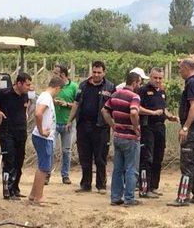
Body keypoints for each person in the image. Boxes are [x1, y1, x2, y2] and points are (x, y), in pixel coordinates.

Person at [67, 61, 115, 193]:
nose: (96, 75)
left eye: (99, 72)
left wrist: (114, 124)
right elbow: (76, 104)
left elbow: (114, 107)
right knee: (84, 157)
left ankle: (101, 185)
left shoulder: (110, 87)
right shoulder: (83, 85)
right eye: (94, 72)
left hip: (101, 127)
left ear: (104, 72)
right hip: (83, 126)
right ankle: (85, 185)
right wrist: (69, 120)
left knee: (100, 157)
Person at [0, 72, 31, 200]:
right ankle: (8, 191)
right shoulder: (4, 92)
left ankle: (15, 188)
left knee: (19, 162)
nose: (29, 87)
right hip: (7, 132)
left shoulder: (25, 95)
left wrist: (25, 114)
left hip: (21, 132)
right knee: (9, 161)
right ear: (19, 83)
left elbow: (26, 105)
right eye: (27, 84)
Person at [168, 59, 194, 207]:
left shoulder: (192, 83)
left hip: (193, 128)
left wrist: (185, 127)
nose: (179, 72)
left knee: (187, 163)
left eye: (180, 69)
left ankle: (183, 197)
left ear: (186, 68)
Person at [102, 72, 142, 207]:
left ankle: (115, 197)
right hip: (130, 137)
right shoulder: (134, 97)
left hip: (118, 136)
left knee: (118, 169)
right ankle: (129, 198)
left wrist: (113, 125)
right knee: (131, 168)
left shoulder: (115, 94)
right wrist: (136, 127)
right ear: (135, 82)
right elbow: (134, 112)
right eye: (139, 83)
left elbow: (104, 111)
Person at [138, 67, 178, 198]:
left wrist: (170, 116)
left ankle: (154, 186)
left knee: (158, 158)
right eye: (155, 78)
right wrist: (152, 113)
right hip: (147, 127)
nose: (158, 80)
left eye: (160, 78)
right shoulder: (142, 90)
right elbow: (137, 108)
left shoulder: (162, 91)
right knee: (147, 158)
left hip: (160, 127)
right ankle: (144, 188)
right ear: (150, 77)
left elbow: (163, 108)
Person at [29, 77, 63, 204]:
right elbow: (38, 114)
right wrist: (42, 131)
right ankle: (39, 197)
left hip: (44, 137)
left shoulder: (45, 97)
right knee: (44, 167)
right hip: (43, 137)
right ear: (57, 88)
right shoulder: (46, 98)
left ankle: (33, 194)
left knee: (42, 166)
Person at [52, 64, 78, 185]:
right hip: (53, 123)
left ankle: (65, 175)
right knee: (50, 149)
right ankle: (46, 174)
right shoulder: (53, 86)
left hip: (67, 123)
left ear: (62, 74)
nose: (53, 75)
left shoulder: (73, 87)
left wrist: (66, 104)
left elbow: (77, 105)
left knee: (66, 151)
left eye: (55, 73)